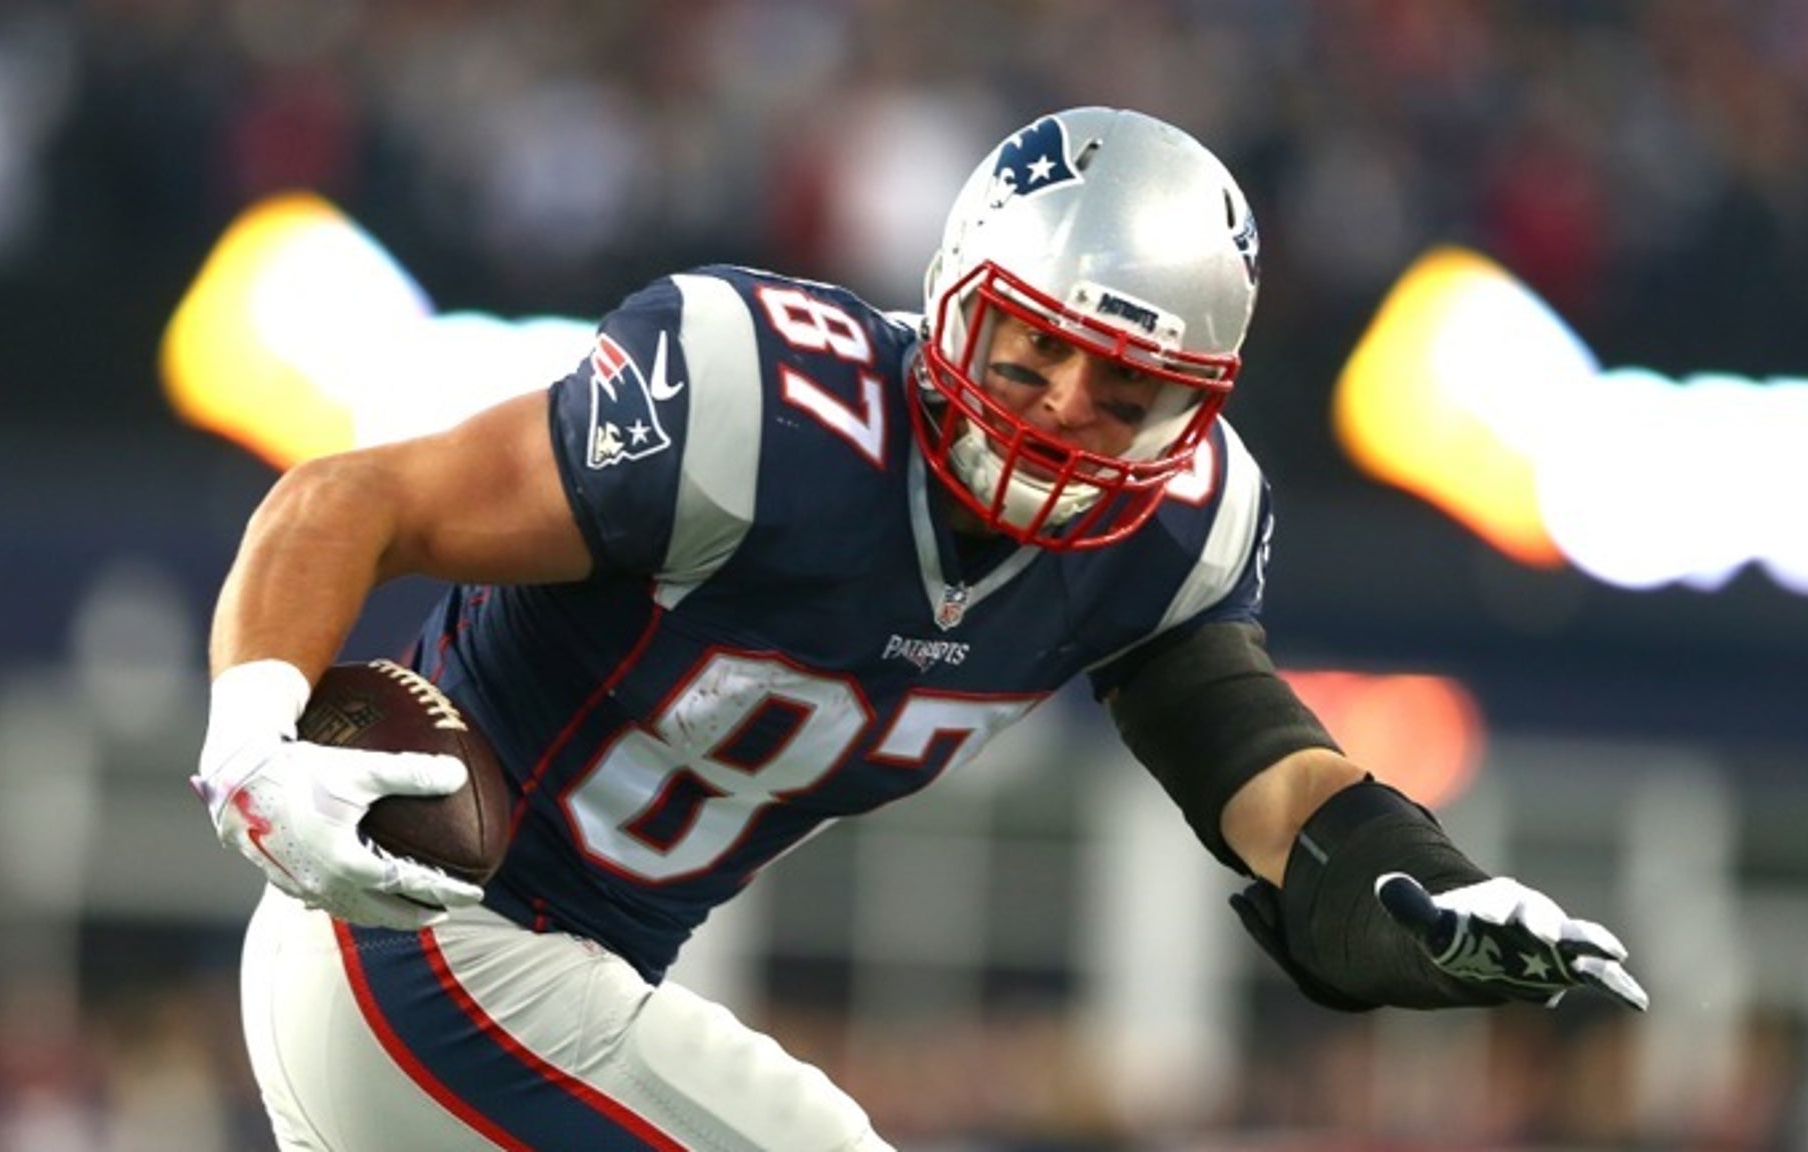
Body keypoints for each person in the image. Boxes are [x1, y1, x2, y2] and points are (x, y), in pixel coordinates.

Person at [193, 106, 1647, 1151]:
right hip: (423, 943)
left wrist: (1414, 884)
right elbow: (348, 501)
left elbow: (1262, 769)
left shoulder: (1170, 540)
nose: (1068, 408)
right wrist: (255, 738)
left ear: (1195, 405)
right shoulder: (757, 406)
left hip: (548, 999)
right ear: (957, 301)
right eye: (1039, 346)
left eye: (1125, 386)